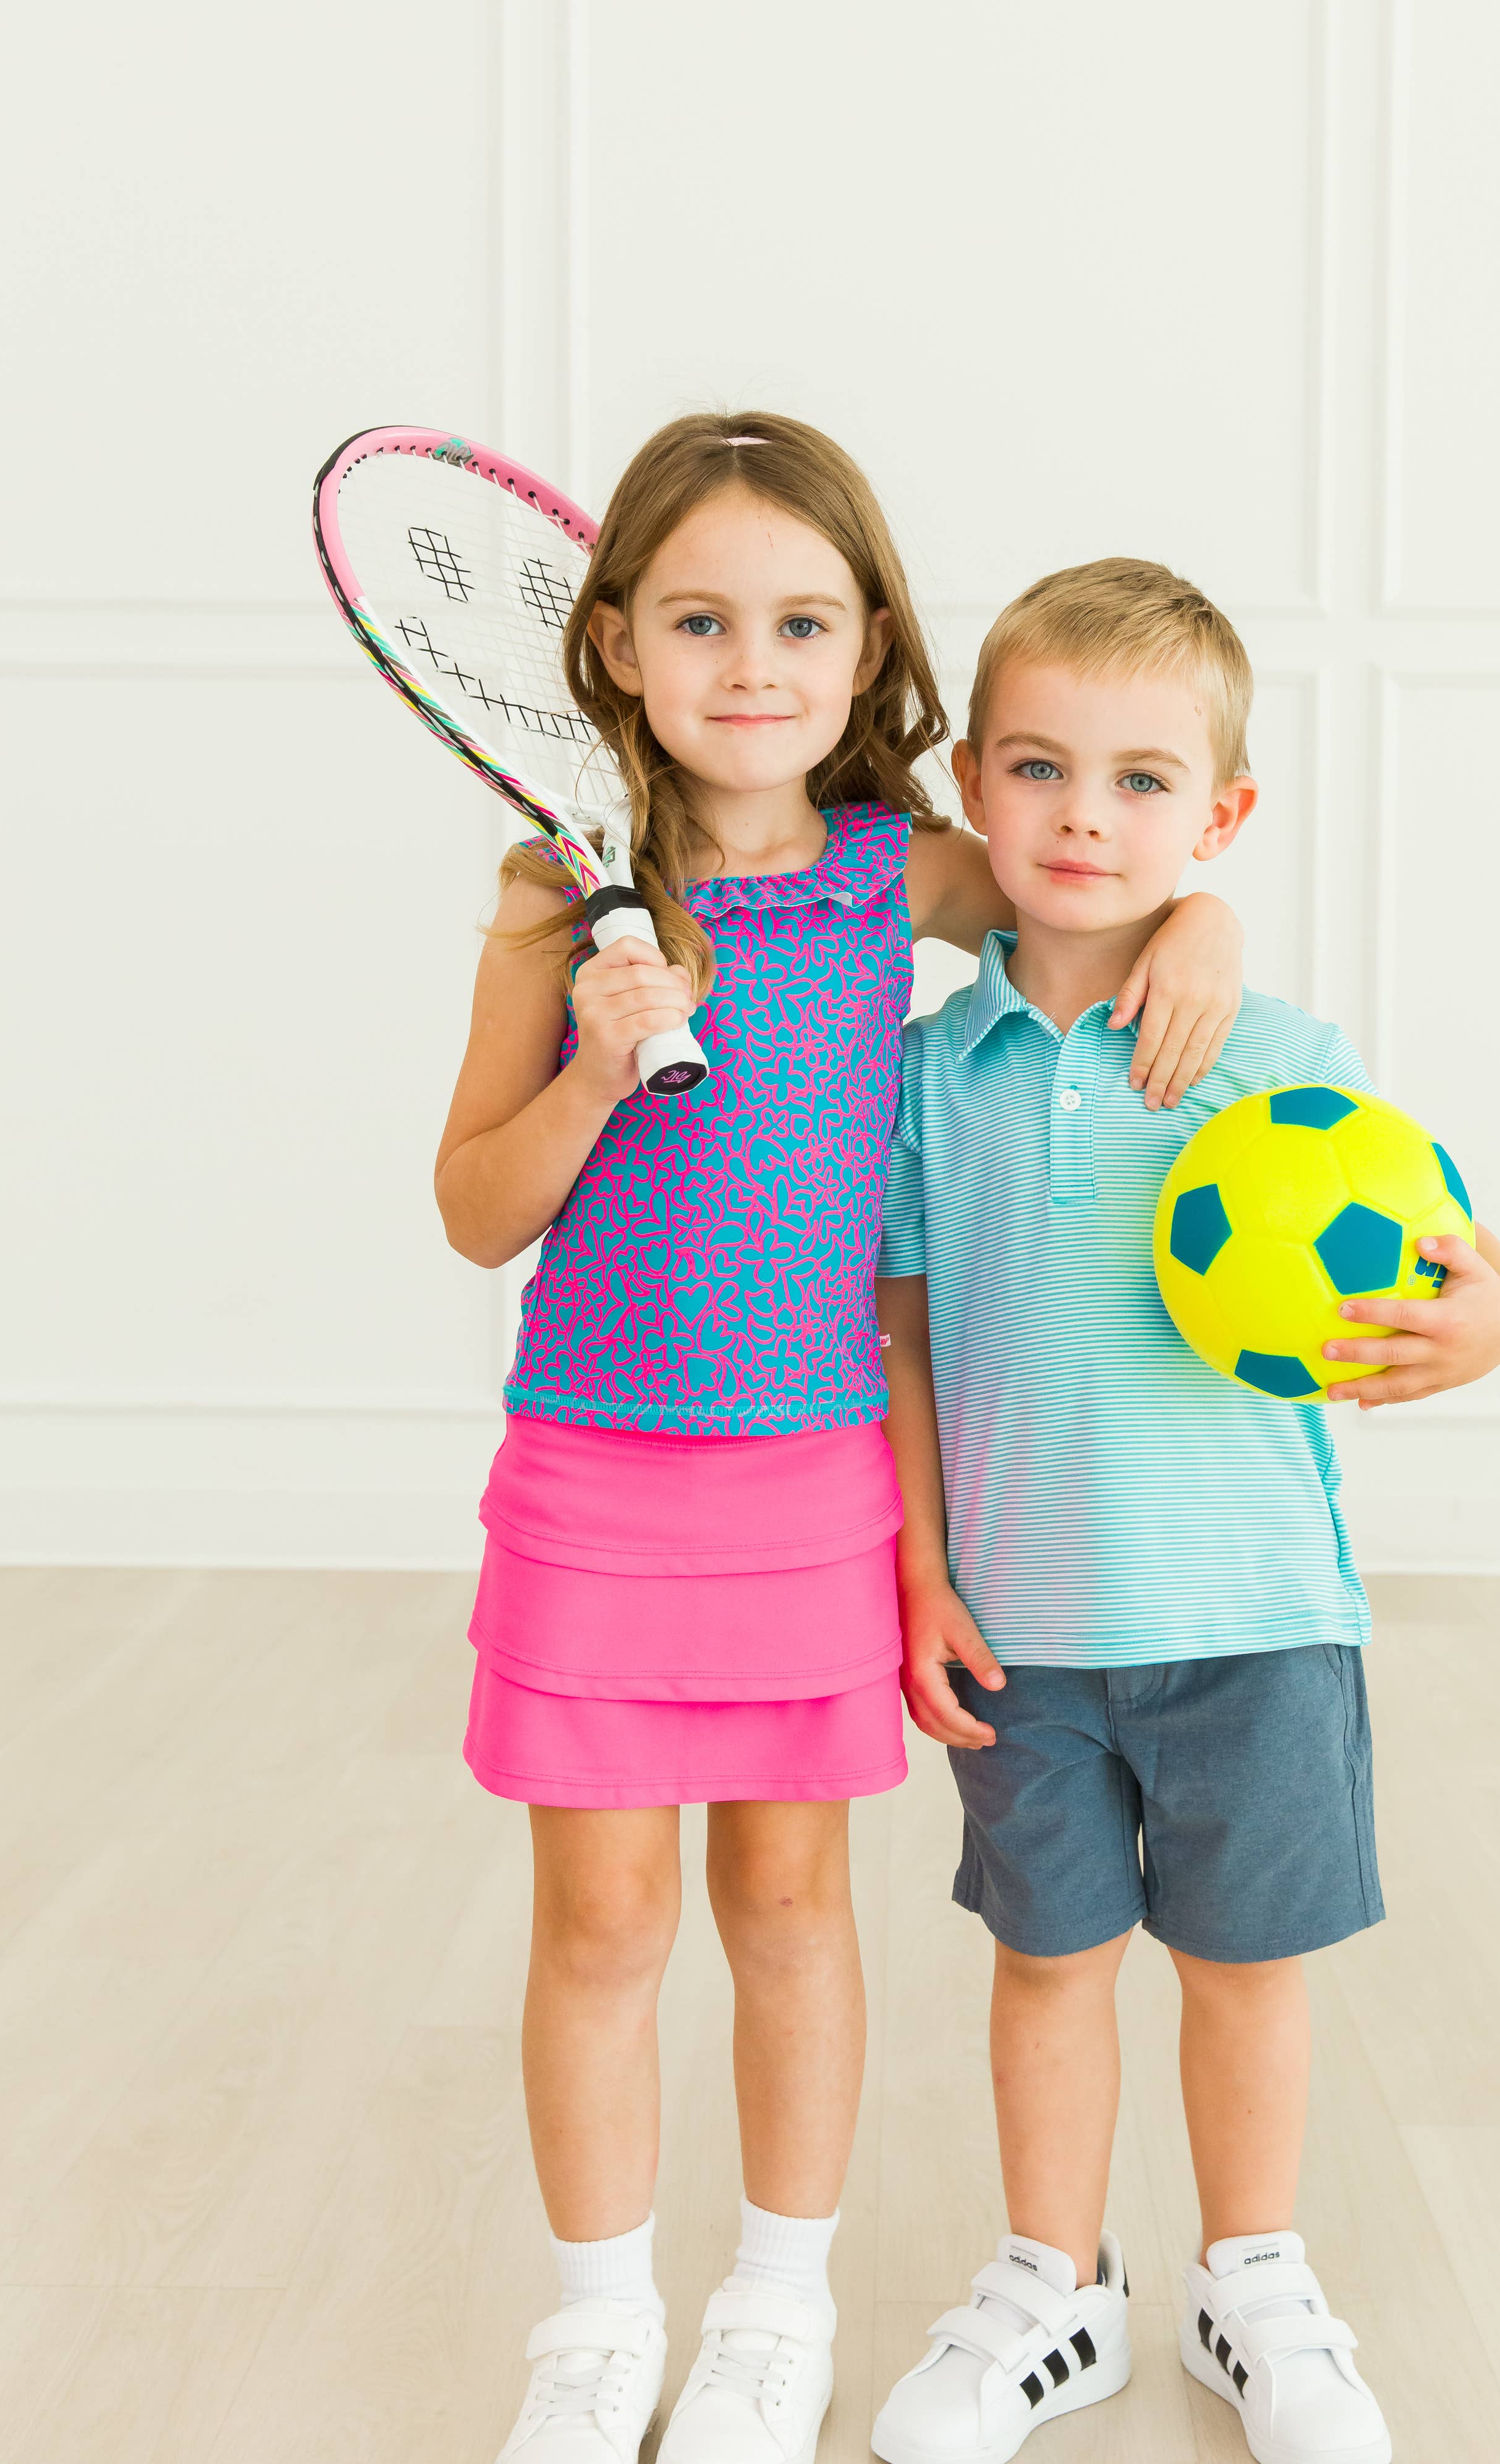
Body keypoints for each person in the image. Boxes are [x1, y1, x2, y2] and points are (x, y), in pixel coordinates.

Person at [432, 421, 1248, 2464]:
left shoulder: (902, 862)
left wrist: (1207, 925)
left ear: (869, 639)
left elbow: (1099, 885)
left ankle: (774, 2313)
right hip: (596, 1475)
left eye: (802, 622)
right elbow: (474, 1207)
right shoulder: (557, 896)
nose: (754, 664)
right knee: (601, 1923)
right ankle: (599, 2328)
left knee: (789, 1907)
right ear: (613, 642)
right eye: (700, 621)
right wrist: (598, 1073)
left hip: (809, 1480)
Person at [869, 559, 1500, 2464]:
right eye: (1041, 768)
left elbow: (1460, 1267)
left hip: (1253, 1613)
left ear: (1221, 816)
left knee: (1247, 1974)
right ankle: (1053, 2286)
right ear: (974, 799)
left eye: (1146, 782)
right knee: (1047, 1964)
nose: (1089, 816)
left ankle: (1254, 2280)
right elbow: (903, 1339)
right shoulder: (925, 1076)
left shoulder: (1283, 1058)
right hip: (1028, 1623)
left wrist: (1499, 1318)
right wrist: (919, 1564)